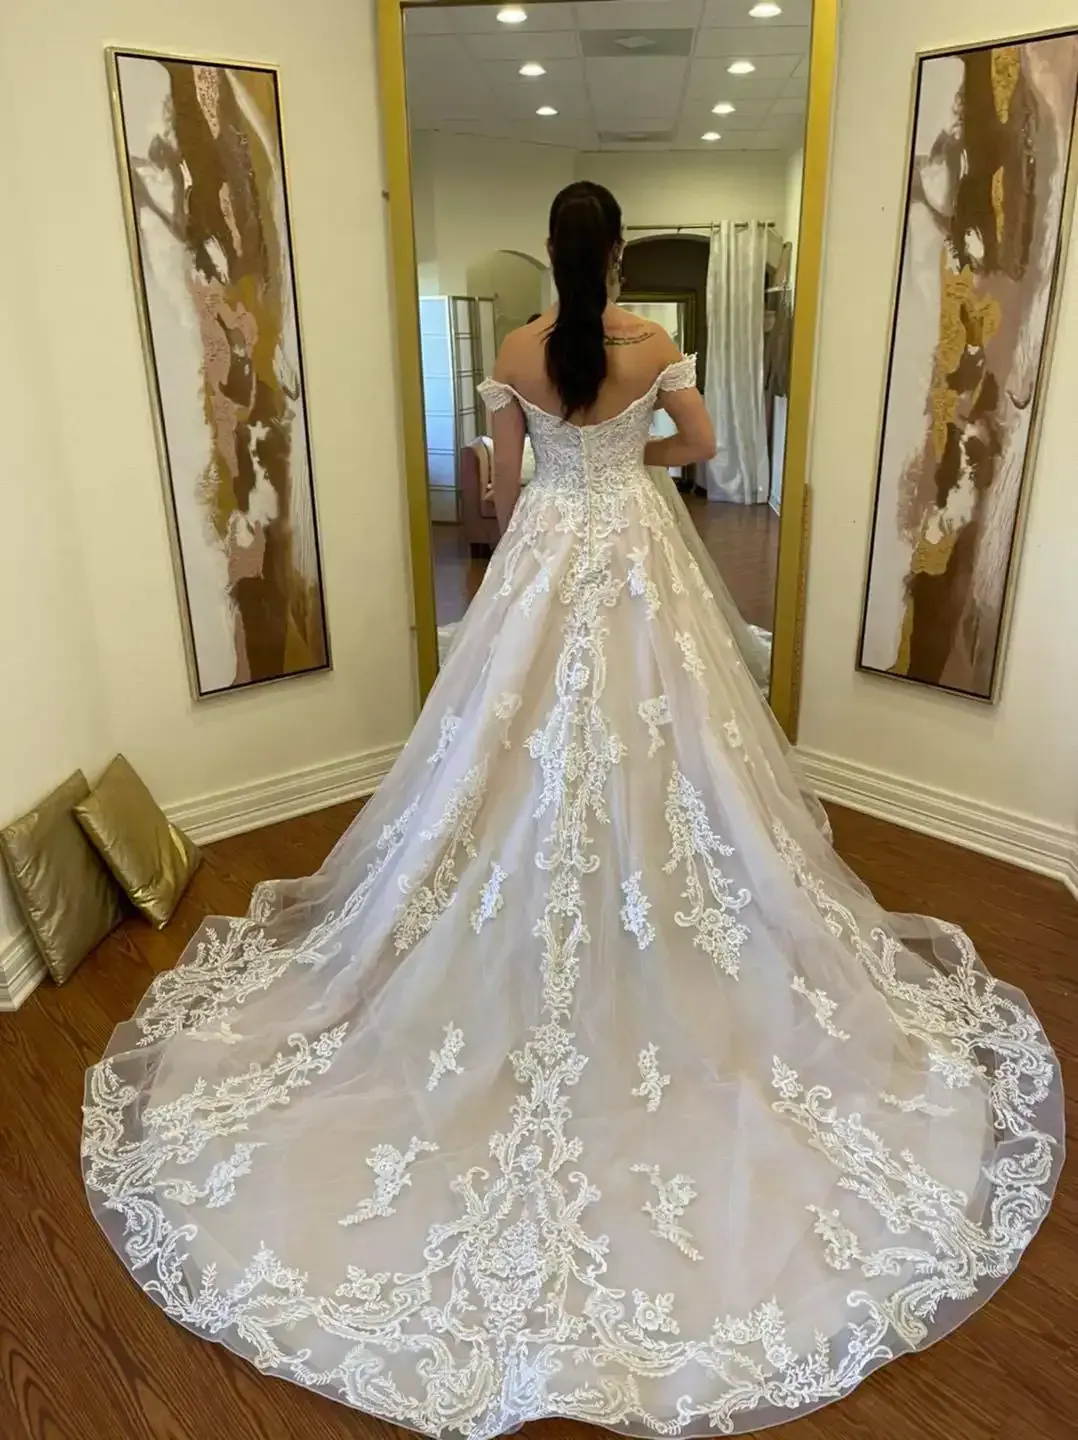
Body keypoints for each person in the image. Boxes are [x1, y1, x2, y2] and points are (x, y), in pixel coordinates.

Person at [82, 181, 1062, 1439]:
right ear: (618, 254)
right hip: (641, 550)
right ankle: (659, 920)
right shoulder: (653, 346)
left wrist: (552, 468)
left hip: (548, 550)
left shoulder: (513, 351)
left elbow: (495, 489)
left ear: (552, 253)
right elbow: (704, 451)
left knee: (503, 749)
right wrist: (636, 453)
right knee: (681, 748)